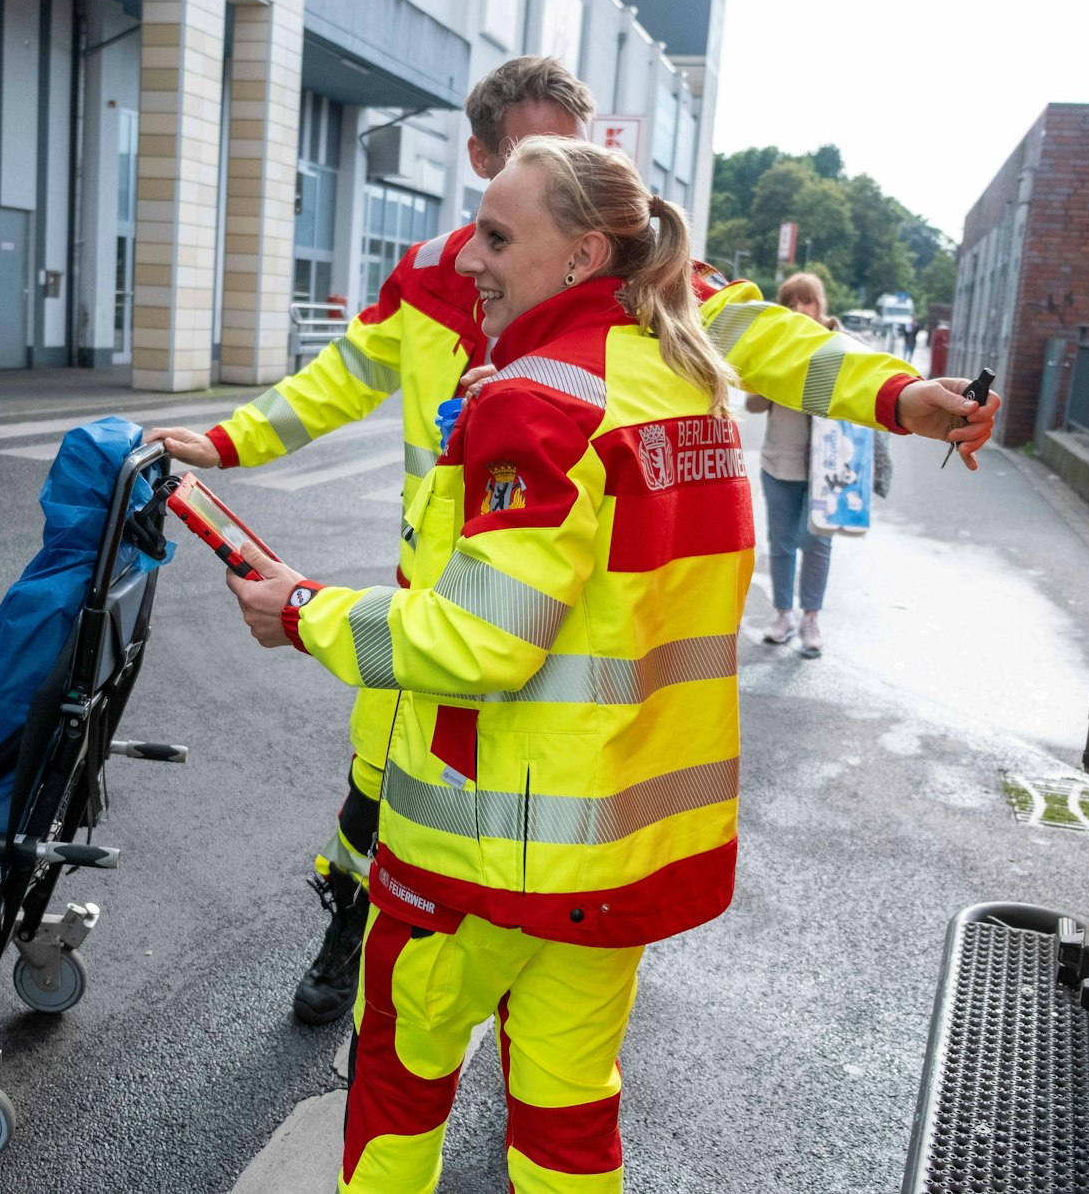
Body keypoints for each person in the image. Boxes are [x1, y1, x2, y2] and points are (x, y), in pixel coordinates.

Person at [224, 138, 1000, 1191]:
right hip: (621, 850)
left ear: (583, 251)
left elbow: (481, 640)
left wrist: (307, 610)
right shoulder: (688, 385)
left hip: (478, 851)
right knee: (567, 1117)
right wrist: (900, 394)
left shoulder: (537, 398)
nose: (471, 261)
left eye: (498, 236)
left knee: (399, 1089)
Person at [143, 57, 599, 1026]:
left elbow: (766, 337)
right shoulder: (433, 274)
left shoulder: (628, 269)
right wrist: (225, 439)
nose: (555, 170)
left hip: (559, 630)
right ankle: (348, 927)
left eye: (573, 147)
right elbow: (336, 379)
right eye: (529, 150)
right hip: (427, 619)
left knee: (541, 823)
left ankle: (527, 984)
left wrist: (896, 398)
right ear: (479, 158)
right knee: (379, 790)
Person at [746, 272, 842, 657]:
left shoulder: (841, 347)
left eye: (807, 302)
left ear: (821, 307)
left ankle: (811, 619)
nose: (799, 310)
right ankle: (783, 615)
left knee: (817, 544)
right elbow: (753, 405)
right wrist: (772, 367)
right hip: (779, 462)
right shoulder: (775, 347)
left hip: (828, 468)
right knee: (782, 544)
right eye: (791, 303)